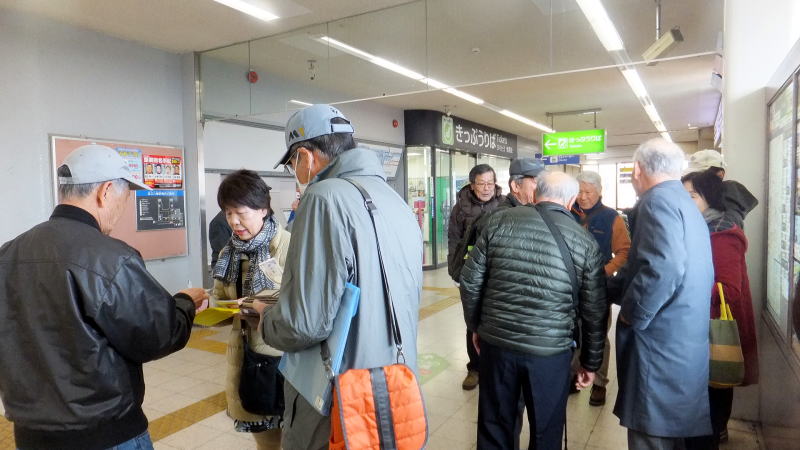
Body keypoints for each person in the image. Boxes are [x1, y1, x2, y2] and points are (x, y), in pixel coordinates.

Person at [0, 144, 208, 450]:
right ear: (106, 191)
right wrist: (185, 304)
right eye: (125, 197)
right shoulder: (111, 258)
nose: (123, 209)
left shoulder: (7, 254)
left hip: (30, 436)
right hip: (105, 434)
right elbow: (156, 336)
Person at [255, 104, 423, 450]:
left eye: (292, 163)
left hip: (339, 395)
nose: (295, 171)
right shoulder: (396, 200)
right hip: (394, 385)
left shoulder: (323, 198)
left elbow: (304, 324)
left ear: (305, 156)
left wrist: (266, 319)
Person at [460, 170, 607, 450]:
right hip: (550, 354)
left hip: (498, 347)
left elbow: (469, 282)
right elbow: (594, 311)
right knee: (545, 431)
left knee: (495, 427)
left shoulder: (499, 222)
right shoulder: (584, 240)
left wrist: (477, 326)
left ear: (536, 193)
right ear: (572, 201)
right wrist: (590, 363)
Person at [608, 138, 714, 449]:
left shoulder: (655, 202)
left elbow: (664, 266)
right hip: (683, 337)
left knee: (651, 432)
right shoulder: (683, 200)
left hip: (659, 343)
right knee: (671, 433)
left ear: (637, 169)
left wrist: (632, 314)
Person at [211, 170, 291, 449]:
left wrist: (259, 307)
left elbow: (302, 305)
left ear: (263, 209)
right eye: (228, 212)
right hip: (249, 361)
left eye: (241, 212)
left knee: (294, 439)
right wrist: (213, 308)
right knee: (267, 444)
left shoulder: (289, 247)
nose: (234, 221)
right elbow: (220, 298)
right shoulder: (228, 253)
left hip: (285, 361)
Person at [681, 170, 759, 449]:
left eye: (692, 196)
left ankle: (712, 434)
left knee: (713, 389)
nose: (685, 201)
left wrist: (685, 287)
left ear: (710, 197)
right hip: (701, 325)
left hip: (714, 327)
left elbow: (729, 290)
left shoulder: (722, 233)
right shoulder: (702, 226)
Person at [571, 170, 630, 406]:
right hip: (571, 287)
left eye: (588, 192)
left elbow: (625, 251)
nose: (583, 196)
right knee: (573, 332)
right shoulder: (567, 212)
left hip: (599, 288)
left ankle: (599, 383)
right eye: (579, 191)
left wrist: (604, 271)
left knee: (598, 335)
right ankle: (574, 377)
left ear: (599, 191)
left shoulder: (611, 217)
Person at [447, 163, 505, 390]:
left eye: (490, 183)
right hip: (471, 273)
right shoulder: (460, 208)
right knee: (472, 320)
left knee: (497, 319)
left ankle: (495, 367)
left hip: (497, 273)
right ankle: (474, 368)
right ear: (472, 185)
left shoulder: (504, 204)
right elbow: (454, 241)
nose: (487, 188)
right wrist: (455, 271)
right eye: (482, 184)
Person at [685, 149, 758, 228]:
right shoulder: (709, 202)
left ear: (720, 175)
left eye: (701, 177)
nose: (693, 182)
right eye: (691, 176)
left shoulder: (724, 219)